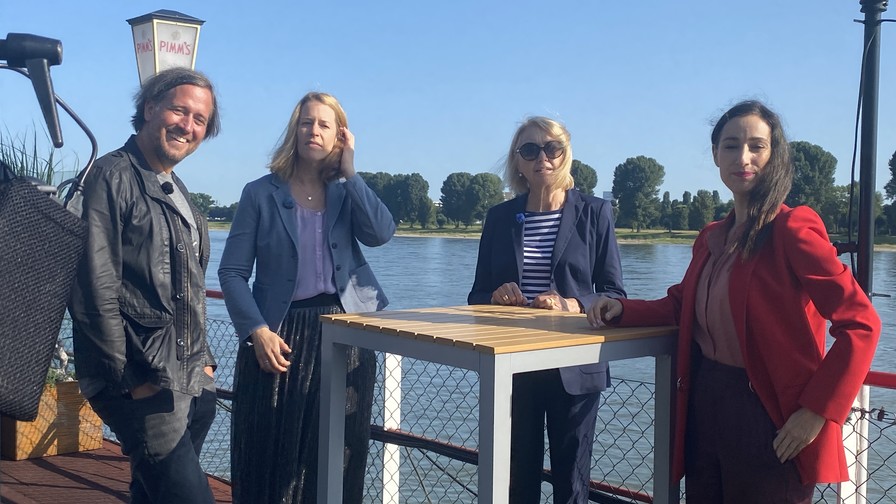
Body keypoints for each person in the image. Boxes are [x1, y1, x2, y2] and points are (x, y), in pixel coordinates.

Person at [587, 100, 881, 503]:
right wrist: (622, 309)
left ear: (774, 155)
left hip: (771, 417)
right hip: (705, 403)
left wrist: (816, 411)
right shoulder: (712, 235)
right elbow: (682, 305)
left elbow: (861, 323)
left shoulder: (792, 229)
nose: (743, 158)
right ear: (715, 155)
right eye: (730, 145)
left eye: (756, 146)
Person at [218, 91, 394, 503]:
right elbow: (232, 272)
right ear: (294, 130)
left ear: (340, 137)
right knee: (271, 449)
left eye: (324, 124)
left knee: (342, 452)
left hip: (344, 331)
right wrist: (256, 331)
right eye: (306, 122)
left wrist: (351, 173)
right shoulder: (259, 193)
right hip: (280, 334)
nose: (313, 130)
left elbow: (382, 233)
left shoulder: (345, 192)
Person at [68, 67, 221, 503]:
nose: (187, 125)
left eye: (199, 120)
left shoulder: (177, 189)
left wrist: (205, 364)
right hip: (142, 378)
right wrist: (131, 379)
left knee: (152, 493)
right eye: (179, 110)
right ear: (150, 107)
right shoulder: (110, 177)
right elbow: (92, 289)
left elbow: (187, 288)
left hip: (189, 376)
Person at [468, 116, 626, 503]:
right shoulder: (499, 218)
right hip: (512, 364)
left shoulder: (595, 213)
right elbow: (476, 296)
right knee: (516, 481)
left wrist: (574, 303)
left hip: (575, 365)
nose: (543, 157)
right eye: (530, 149)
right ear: (518, 161)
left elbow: (614, 293)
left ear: (565, 155)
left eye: (552, 148)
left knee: (571, 483)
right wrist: (496, 295)